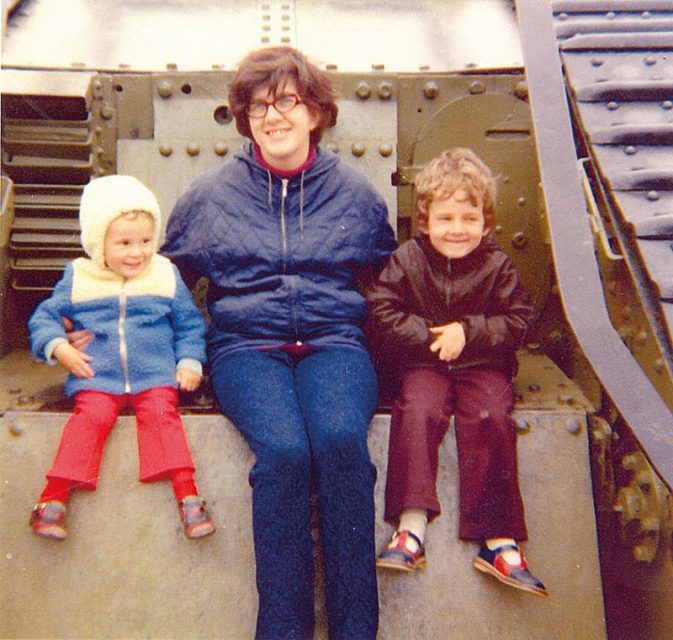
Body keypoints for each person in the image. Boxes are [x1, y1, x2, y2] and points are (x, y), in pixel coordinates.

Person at [162, 47, 397, 639]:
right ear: (245, 118)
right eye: (259, 105)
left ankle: (355, 630)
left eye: (287, 101)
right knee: (286, 455)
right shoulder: (211, 196)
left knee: (342, 444)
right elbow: (164, 280)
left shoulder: (353, 193)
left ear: (316, 112)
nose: (274, 116)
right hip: (247, 347)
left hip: (333, 341)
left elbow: (391, 282)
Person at [366, 148, 547, 597]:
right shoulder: (408, 260)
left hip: (483, 364)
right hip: (423, 362)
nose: (457, 230)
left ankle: (498, 538)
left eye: (469, 219)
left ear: (486, 223)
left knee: (491, 415)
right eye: (445, 219)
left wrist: (469, 333)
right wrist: (431, 337)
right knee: (418, 409)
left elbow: (519, 319)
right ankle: (410, 527)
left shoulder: (496, 265)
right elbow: (382, 312)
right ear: (425, 221)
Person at [28, 175, 215, 542]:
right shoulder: (79, 277)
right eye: (124, 243)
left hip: (155, 377)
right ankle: (53, 497)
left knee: (164, 418)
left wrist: (190, 361)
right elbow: (44, 317)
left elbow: (189, 323)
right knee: (89, 421)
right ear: (99, 243)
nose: (138, 252)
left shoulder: (164, 274)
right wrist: (59, 347)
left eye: (146, 241)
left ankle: (188, 495)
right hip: (98, 377)